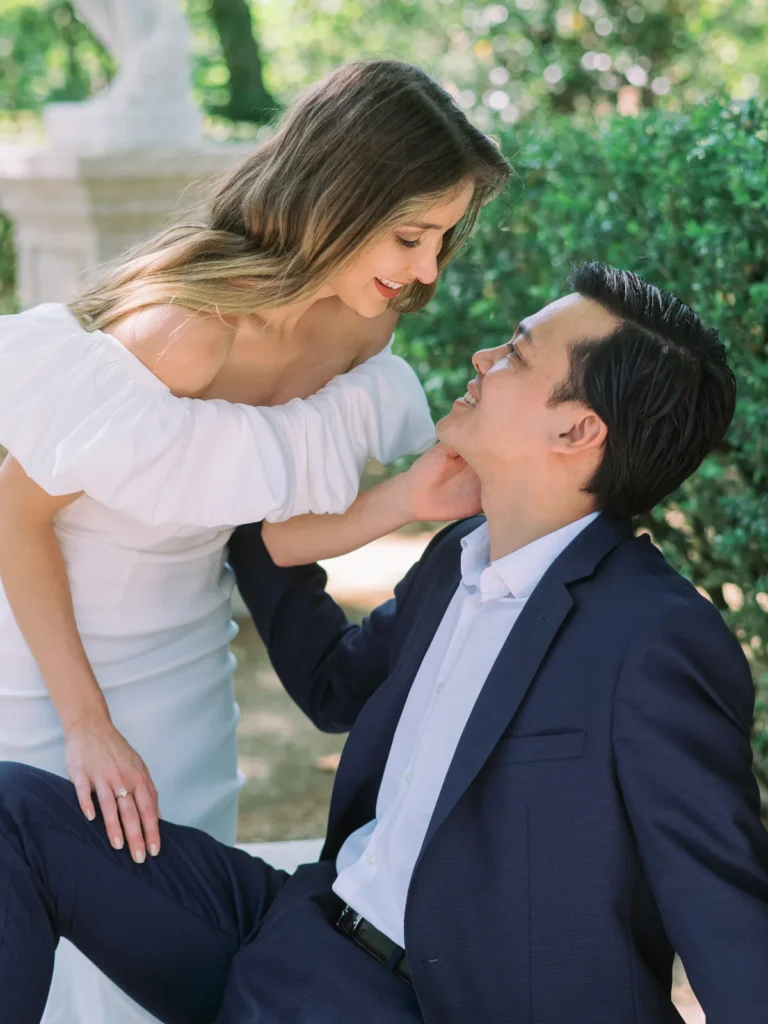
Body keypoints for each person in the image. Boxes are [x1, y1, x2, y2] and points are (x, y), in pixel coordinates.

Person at [2, 262, 767, 1024]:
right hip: (294, 930)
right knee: (16, 814)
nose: (484, 358)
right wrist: (252, 466)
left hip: (423, 1002)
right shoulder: (460, 555)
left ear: (577, 430)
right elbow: (334, 683)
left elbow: (724, 911)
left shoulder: (653, 636)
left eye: (516, 354)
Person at [0, 60, 508, 1024]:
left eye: (442, 240)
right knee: (46, 927)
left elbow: (275, 534)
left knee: (164, 934)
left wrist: (408, 497)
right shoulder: (187, 330)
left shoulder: (359, 332)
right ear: (340, 196)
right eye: (410, 236)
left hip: (186, 663)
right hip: (50, 661)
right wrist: (86, 724)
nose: (427, 271)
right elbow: (14, 515)